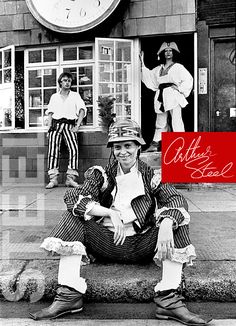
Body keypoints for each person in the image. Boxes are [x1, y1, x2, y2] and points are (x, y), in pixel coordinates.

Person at [29, 119, 211, 325]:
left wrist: (167, 223)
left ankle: (169, 300)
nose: (123, 152)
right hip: (106, 242)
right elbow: (74, 197)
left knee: (177, 220)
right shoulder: (102, 174)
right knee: (73, 215)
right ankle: (69, 296)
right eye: (117, 147)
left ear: (138, 147)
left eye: (128, 145)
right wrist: (109, 213)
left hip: (142, 244)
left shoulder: (151, 176)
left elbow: (176, 200)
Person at [140, 41, 193, 152]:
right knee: (160, 121)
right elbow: (150, 77)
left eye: (170, 51)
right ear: (162, 53)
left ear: (173, 53)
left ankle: (181, 145)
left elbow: (188, 79)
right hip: (161, 95)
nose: (168, 53)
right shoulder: (159, 68)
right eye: (166, 51)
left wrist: (179, 88)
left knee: (176, 120)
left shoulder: (178, 67)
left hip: (173, 95)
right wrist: (142, 64)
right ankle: (155, 144)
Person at [45, 72, 87, 189]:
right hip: (56, 125)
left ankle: (70, 178)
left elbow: (82, 110)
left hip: (69, 125)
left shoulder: (75, 95)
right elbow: (50, 113)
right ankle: (53, 179)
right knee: (53, 150)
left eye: (69, 81)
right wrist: (49, 128)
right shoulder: (54, 96)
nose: (67, 83)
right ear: (60, 82)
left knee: (74, 149)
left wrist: (77, 125)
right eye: (64, 80)